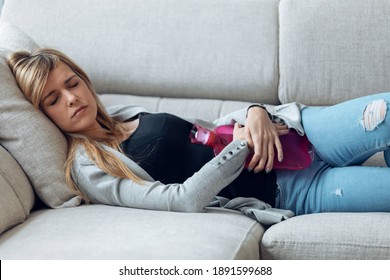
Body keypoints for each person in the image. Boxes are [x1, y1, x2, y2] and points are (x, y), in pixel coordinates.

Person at [7, 48, 390, 222]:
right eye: (54, 100)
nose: (72, 98)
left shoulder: (124, 113)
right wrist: (243, 143)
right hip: (291, 190)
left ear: (85, 81)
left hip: (302, 132)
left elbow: (209, 129)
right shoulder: (90, 169)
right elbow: (183, 199)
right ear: (43, 116)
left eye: (73, 83)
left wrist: (255, 112)